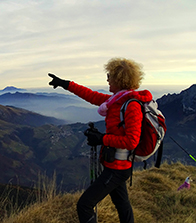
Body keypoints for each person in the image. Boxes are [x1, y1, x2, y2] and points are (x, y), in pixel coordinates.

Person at [49, 57, 153, 223]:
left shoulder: (131, 105)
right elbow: (90, 95)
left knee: (84, 205)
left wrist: (102, 139)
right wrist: (65, 83)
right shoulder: (116, 100)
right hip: (116, 165)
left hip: (118, 168)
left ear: (120, 79)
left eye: (110, 75)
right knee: (121, 203)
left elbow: (131, 141)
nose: (107, 79)